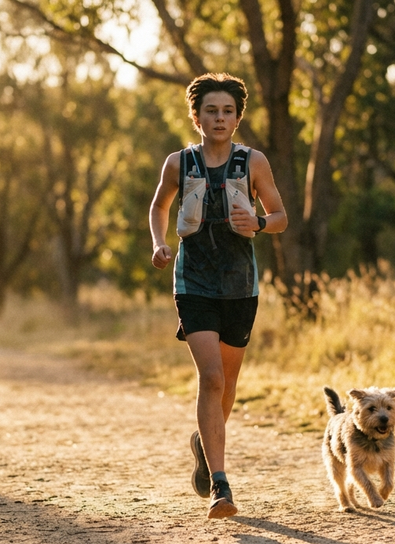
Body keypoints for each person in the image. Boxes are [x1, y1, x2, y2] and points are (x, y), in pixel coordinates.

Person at [149, 73, 287, 519]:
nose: (220, 118)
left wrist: (262, 224)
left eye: (228, 111)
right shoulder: (179, 162)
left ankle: (203, 445)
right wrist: (158, 242)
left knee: (226, 383)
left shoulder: (254, 163)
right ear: (196, 116)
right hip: (194, 283)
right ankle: (221, 487)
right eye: (211, 110)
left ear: (238, 116)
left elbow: (281, 215)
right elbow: (159, 206)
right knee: (211, 377)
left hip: (239, 285)